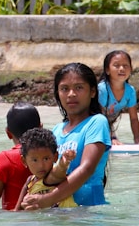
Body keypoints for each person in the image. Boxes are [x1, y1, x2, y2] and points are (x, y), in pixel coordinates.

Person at [19, 62, 112, 209]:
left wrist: (48, 199)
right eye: (64, 89)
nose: (71, 94)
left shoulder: (97, 123)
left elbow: (86, 168)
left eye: (79, 87)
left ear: (93, 92)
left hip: (89, 214)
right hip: (59, 214)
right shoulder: (57, 130)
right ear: (58, 93)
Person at [0, 101, 41, 210]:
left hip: (14, 221)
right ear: (41, 128)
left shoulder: (5, 158)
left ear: (8, 133)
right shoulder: (49, 155)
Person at [14, 127, 77, 210]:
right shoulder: (30, 181)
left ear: (55, 157)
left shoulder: (53, 176)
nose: (41, 165)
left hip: (67, 219)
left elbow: (60, 169)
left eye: (46, 159)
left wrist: (64, 162)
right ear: (24, 161)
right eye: (35, 160)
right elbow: (17, 210)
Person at [97, 50, 139, 145]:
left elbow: (133, 118)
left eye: (125, 66)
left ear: (131, 69)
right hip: (92, 123)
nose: (121, 69)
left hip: (107, 124)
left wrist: (137, 139)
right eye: (116, 65)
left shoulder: (130, 91)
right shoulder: (102, 89)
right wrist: (112, 137)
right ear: (107, 70)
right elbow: (100, 117)